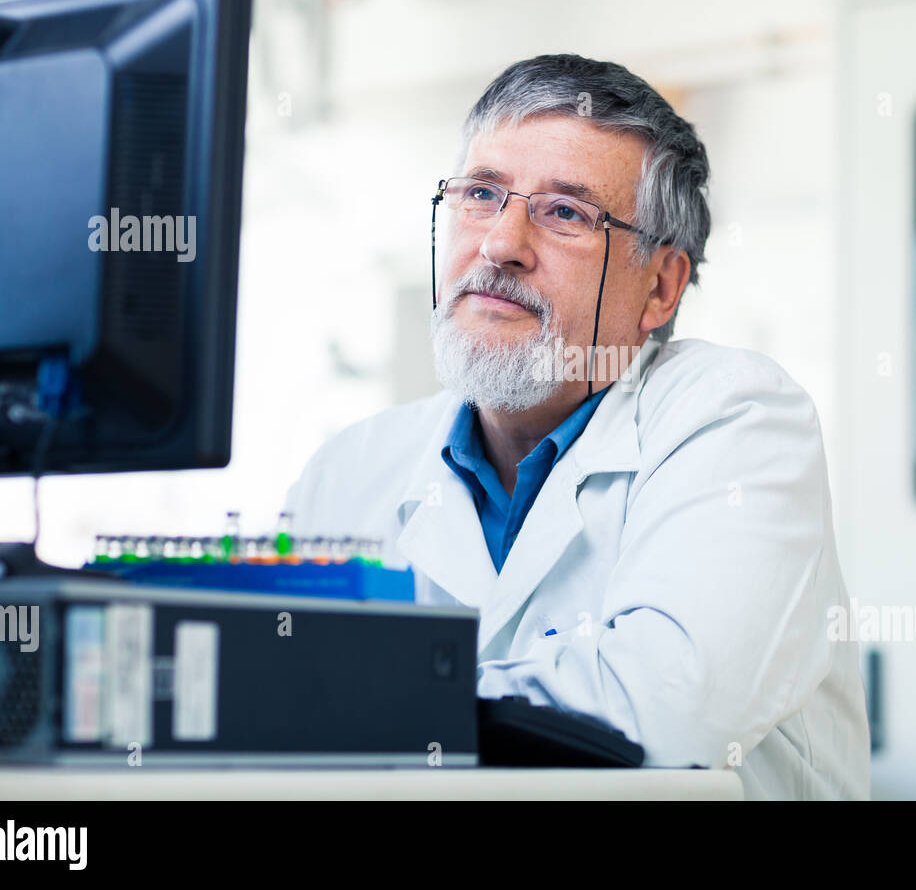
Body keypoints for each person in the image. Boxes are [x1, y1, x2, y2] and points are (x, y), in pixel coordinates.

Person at [285, 53, 870, 799]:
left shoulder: (738, 419)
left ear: (659, 287)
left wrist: (351, 695)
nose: (501, 244)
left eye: (566, 213)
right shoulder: (349, 469)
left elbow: (668, 710)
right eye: (481, 193)